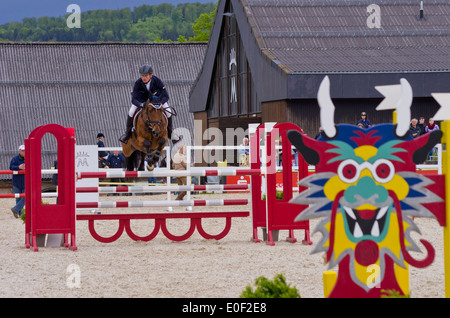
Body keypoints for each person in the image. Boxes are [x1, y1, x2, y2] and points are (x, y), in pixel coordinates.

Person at [119, 64, 173, 144]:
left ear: (151, 75)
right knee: (131, 112)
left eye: (146, 76)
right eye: (142, 75)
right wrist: (141, 104)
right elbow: (134, 99)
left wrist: (159, 103)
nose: (144, 78)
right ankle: (127, 133)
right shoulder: (138, 83)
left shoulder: (157, 81)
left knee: (168, 111)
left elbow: (166, 96)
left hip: (156, 102)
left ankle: (171, 132)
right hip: (142, 102)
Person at [10, 145, 25, 218]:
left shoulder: (29, 158)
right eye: (22, 150)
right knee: (18, 198)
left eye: (25, 150)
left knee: (25, 197)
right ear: (19, 151)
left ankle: (15, 209)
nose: (24, 152)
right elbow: (11, 167)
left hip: (26, 182)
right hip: (16, 182)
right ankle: (20, 214)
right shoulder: (15, 159)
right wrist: (18, 167)